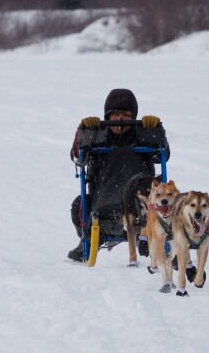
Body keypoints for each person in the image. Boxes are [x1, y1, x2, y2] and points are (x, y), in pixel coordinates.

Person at [67, 88, 168, 262]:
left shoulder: (142, 136)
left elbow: (164, 155)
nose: (120, 120)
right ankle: (88, 238)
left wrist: (157, 131)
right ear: (107, 116)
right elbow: (76, 155)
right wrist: (83, 131)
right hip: (102, 204)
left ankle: (156, 239)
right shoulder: (97, 136)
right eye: (115, 115)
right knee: (79, 204)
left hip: (141, 205)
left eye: (126, 115)